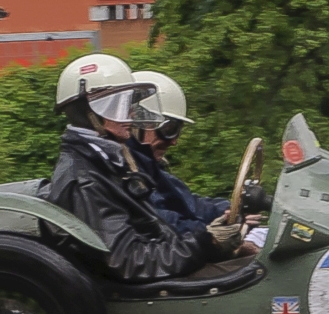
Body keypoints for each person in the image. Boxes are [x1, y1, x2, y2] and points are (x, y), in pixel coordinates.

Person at [40, 54, 238, 281]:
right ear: (91, 111)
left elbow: (155, 232)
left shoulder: (105, 162)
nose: (132, 114)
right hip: (148, 289)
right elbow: (130, 261)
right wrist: (205, 243)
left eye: (129, 103)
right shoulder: (86, 179)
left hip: (166, 272)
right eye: (120, 104)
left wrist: (209, 239)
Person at [126, 71, 273, 251]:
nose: (174, 141)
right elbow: (161, 221)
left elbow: (192, 205)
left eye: (177, 130)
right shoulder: (127, 174)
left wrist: (232, 211)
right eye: (169, 129)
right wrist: (214, 233)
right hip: (165, 260)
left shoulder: (148, 168)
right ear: (137, 124)